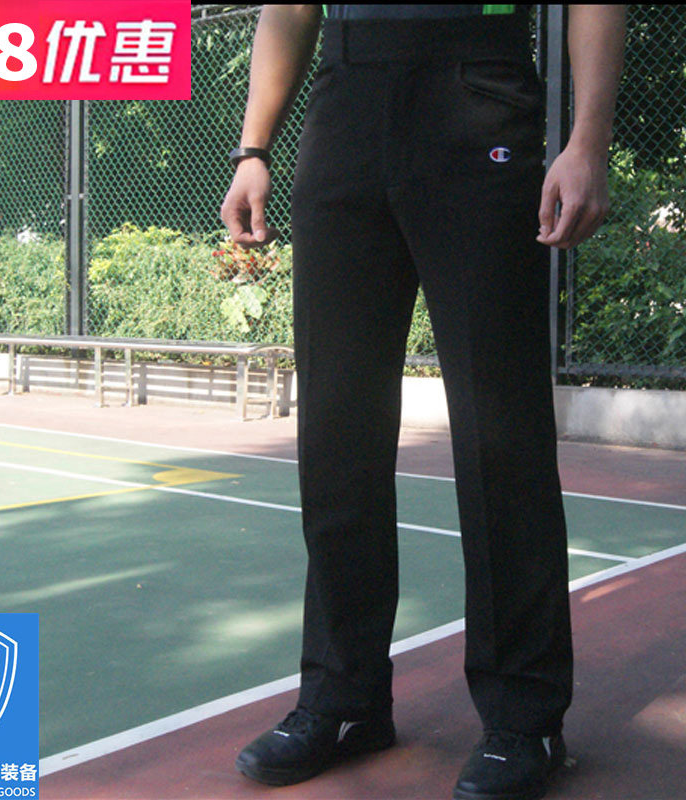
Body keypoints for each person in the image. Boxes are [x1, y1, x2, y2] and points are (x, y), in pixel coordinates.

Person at [220, 5, 626, 799]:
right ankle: (343, 698)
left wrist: (587, 142)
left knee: (500, 431)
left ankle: (525, 718)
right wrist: (253, 148)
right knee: (336, 432)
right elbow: (291, 8)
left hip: (478, 91)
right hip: (344, 103)